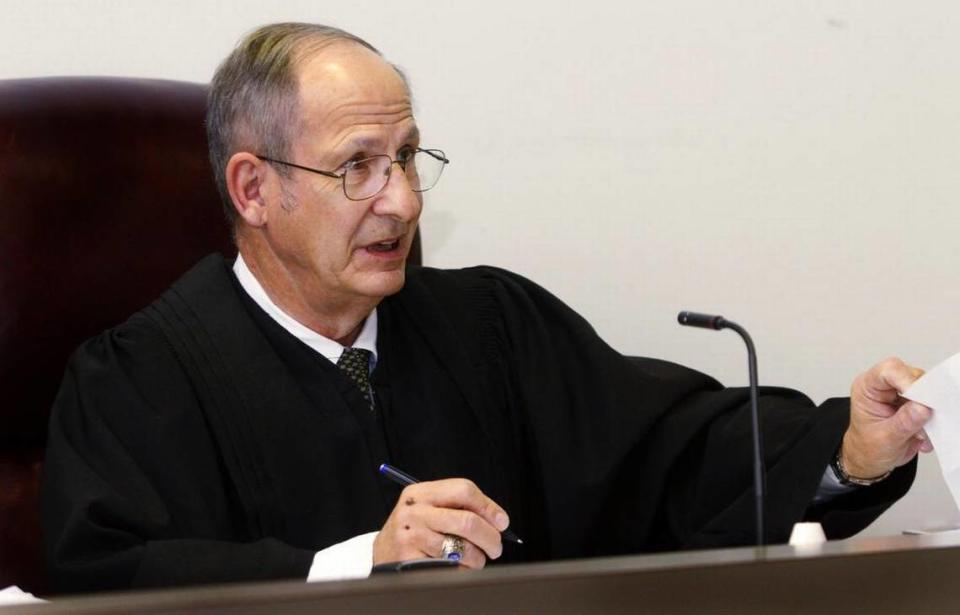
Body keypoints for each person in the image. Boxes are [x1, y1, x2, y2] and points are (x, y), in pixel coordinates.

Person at [41, 22, 933, 594]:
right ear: (254, 188)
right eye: (358, 166)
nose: (402, 201)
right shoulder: (139, 382)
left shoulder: (490, 327)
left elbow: (662, 456)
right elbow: (106, 579)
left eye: (408, 157)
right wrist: (358, 561)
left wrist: (846, 453)